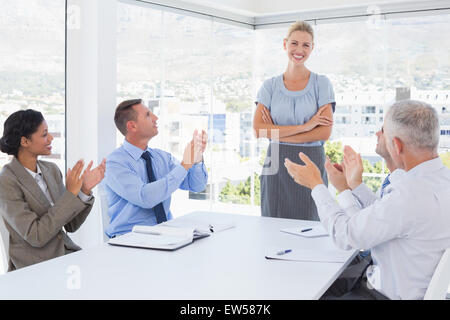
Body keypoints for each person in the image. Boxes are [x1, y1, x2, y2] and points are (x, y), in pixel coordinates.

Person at [284, 100, 450, 299]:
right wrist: (348, 187)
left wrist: (316, 185)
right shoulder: (438, 179)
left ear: (396, 145)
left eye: (384, 133)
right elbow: (382, 217)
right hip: (390, 283)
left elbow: (346, 235)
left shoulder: (409, 194)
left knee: (303, 288)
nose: (378, 135)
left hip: (381, 294)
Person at [0, 109, 105, 271]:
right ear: (25, 141)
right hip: (35, 267)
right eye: (44, 134)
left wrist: (84, 190)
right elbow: (36, 236)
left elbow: (71, 225)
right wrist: (70, 194)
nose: (51, 138)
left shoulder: (52, 170)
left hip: (66, 256)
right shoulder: (6, 180)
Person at [253, 20, 335, 221]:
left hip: (311, 162)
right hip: (276, 164)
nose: (299, 49)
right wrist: (305, 127)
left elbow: (324, 133)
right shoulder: (269, 87)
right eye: (294, 43)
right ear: (285, 44)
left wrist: (277, 132)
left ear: (312, 48)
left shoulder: (321, 84)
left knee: (311, 223)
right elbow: (258, 131)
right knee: (272, 224)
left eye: (306, 45)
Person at [104, 99, 208, 238]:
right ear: (132, 126)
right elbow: (145, 197)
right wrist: (185, 165)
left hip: (166, 234)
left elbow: (196, 185)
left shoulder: (161, 157)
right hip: (129, 239)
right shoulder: (114, 163)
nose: (155, 118)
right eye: (148, 115)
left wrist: (196, 159)